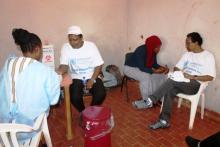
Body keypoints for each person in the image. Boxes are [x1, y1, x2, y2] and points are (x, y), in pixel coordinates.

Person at [141, 32, 216, 130]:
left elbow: (210, 77)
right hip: (182, 80)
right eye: (186, 43)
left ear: (196, 43)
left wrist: (193, 77)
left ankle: (151, 100)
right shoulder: (187, 55)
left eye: (188, 43)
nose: (186, 45)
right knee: (170, 89)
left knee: (171, 81)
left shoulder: (208, 56)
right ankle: (164, 121)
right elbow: (177, 67)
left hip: (195, 84)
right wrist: (181, 73)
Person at [0, 28, 61, 139]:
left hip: (4, 126)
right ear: (37, 49)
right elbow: (54, 100)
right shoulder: (45, 71)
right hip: (29, 129)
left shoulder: (9, 62)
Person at [59, 25, 106, 113]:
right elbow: (64, 65)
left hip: (92, 74)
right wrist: (60, 71)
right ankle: (83, 112)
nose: (72, 42)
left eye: (75, 39)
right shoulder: (65, 47)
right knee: (74, 97)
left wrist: (92, 80)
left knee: (101, 94)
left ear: (81, 38)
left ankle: (91, 111)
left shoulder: (91, 46)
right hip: (76, 76)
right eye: (70, 40)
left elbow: (99, 65)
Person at [123, 35, 169, 109]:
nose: (159, 49)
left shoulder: (153, 51)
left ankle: (155, 97)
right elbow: (142, 68)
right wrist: (155, 71)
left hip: (140, 68)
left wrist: (163, 68)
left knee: (161, 75)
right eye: (157, 47)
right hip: (130, 68)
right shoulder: (140, 50)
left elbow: (154, 64)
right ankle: (146, 101)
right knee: (145, 76)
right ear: (152, 45)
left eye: (159, 47)